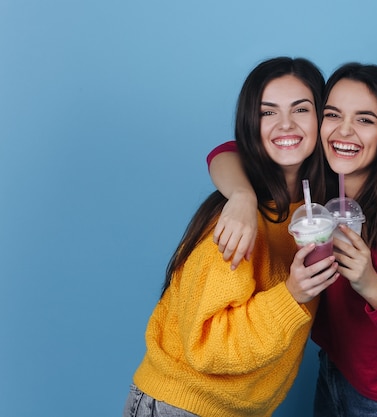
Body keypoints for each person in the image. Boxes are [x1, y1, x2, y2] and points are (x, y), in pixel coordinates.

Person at [208, 63, 377, 416]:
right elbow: (228, 150)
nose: (344, 131)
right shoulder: (322, 176)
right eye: (332, 115)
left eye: (365, 119)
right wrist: (242, 197)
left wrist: (371, 284)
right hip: (333, 374)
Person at [123, 57, 339, 417]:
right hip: (184, 406)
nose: (285, 123)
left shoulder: (313, 209)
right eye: (267, 112)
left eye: (300, 109)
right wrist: (292, 295)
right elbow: (207, 345)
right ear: (250, 125)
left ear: (323, 118)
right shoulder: (237, 223)